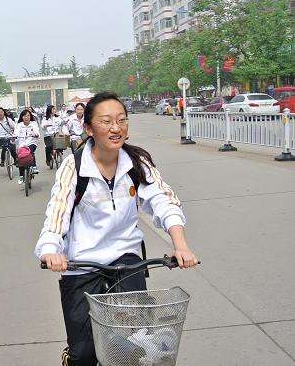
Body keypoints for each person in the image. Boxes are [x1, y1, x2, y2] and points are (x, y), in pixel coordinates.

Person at [35, 92, 198, 366]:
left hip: (127, 261)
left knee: (135, 346)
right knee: (84, 354)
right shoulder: (74, 166)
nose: (116, 128)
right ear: (88, 128)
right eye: (106, 121)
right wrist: (51, 250)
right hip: (82, 264)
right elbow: (57, 212)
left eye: (122, 120)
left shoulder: (137, 162)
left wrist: (180, 245)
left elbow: (164, 200)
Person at [13, 109, 40, 185]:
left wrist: (36, 134)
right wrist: (14, 137)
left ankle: (34, 166)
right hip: (21, 144)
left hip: (31, 142)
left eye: (28, 116)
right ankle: (21, 176)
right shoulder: (19, 125)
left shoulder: (33, 124)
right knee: (21, 158)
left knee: (30, 152)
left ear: (30, 116)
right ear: (22, 117)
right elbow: (16, 133)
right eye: (24, 116)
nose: (26, 117)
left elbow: (37, 133)